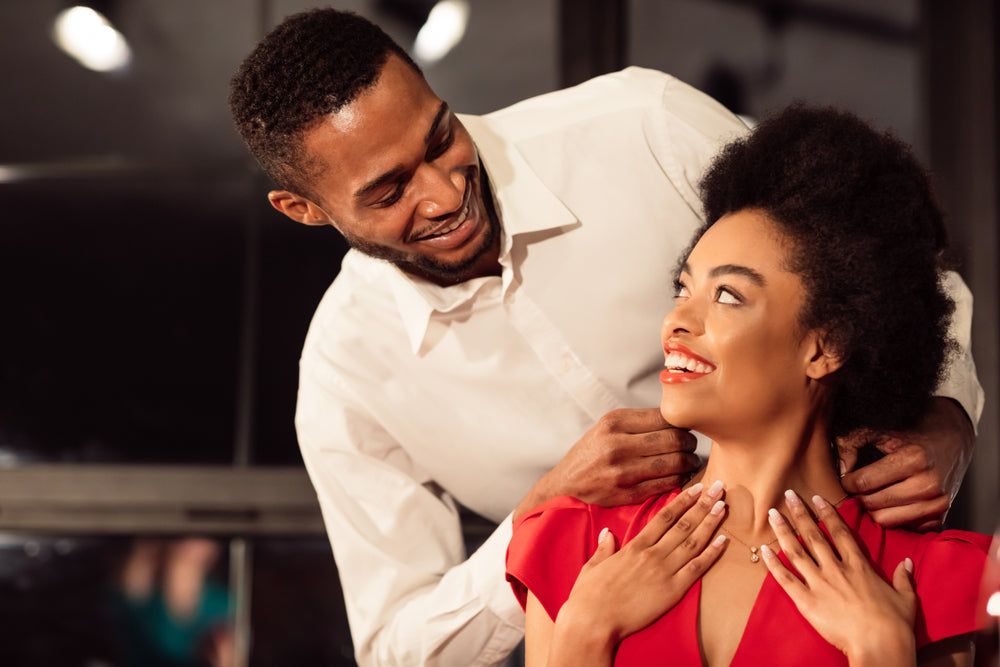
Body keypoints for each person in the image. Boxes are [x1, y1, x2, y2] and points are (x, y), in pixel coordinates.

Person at [228, 9, 983, 664]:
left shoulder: (641, 127)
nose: (445, 191)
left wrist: (946, 415)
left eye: (440, 137)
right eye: (390, 191)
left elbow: (882, 259)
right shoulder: (346, 375)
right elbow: (398, 646)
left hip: (862, 536)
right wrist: (540, 521)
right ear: (303, 209)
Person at [506, 105, 991, 666]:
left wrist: (881, 649)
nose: (676, 322)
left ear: (824, 346)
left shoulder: (939, 583)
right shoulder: (575, 544)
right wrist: (583, 635)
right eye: (682, 289)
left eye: (728, 295)